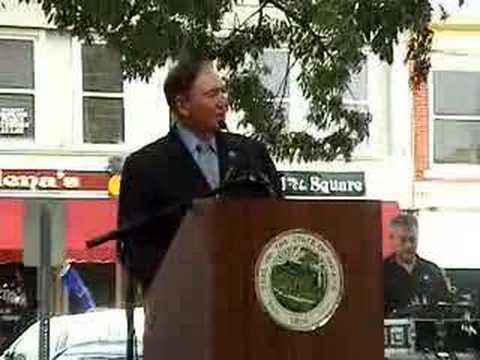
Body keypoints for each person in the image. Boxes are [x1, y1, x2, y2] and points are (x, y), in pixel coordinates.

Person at [118, 55, 282, 294]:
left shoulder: (251, 154)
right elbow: (133, 248)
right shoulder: (145, 166)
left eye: (223, 92)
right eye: (212, 94)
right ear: (183, 105)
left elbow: (278, 218)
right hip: (181, 303)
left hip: (248, 296)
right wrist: (183, 278)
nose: (223, 102)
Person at [384, 214, 452, 315]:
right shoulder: (381, 272)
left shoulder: (433, 271)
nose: (408, 245)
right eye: (403, 240)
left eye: (412, 240)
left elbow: (447, 307)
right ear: (391, 239)